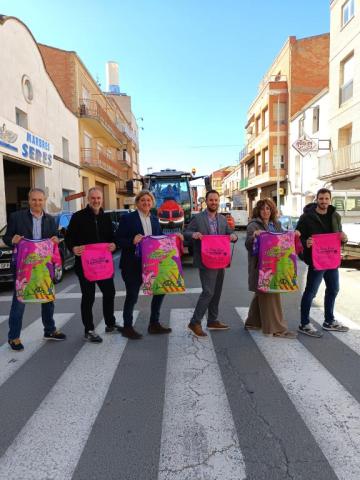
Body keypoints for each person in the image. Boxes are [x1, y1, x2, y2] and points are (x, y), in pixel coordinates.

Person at [3, 188, 66, 351]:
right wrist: (13, 240)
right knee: (19, 302)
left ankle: (50, 330)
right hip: (24, 267)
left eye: (40, 200)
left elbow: (54, 238)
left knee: (48, 300)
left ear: (44, 201)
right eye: (34, 200)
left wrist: (55, 239)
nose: (37, 203)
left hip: (44, 267)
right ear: (28, 200)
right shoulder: (16, 217)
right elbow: (7, 237)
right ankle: (14, 337)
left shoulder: (51, 220)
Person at [115, 189, 172, 340]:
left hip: (152, 264)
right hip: (132, 265)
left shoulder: (154, 219)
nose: (146, 203)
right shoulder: (127, 219)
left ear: (152, 203)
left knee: (160, 291)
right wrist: (132, 241)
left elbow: (159, 238)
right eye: (143, 200)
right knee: (132, 296)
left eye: (149, 200)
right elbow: (119, 240)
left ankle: (154, 323)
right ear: (137, 202)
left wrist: (173, 237)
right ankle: (127, 327)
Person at [65, 187, 119, 343]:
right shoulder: (78, 217)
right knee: (88, 297)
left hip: (103, 265)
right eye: (93, 198)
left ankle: (110, 323)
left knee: (110, 293)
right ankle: (88, 329)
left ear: (102, 200)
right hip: (84, 266)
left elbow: (112, 237)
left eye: (98, 198)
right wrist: (73, 248)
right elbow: (69, 238)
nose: (96, 201)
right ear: (88, 199)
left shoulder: (105, 218)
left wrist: (114, 245)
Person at [184, 189, 238, 338]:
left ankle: (213, 320)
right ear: (206, 202)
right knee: (208, 291)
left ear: (218, 202)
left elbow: (229, 232)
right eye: (211, 200)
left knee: (217, 292)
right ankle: (195, 322)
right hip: (205, 259)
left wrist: (233, 236)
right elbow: (186, 233)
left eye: (216, 200)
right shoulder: (198, 218)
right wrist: (193, 234)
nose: (213, 202)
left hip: (220, 259)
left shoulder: (222, 219)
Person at [296, 188, 349, 337]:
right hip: (316, 260)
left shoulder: (335, 216)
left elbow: (339, 237)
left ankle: (329, 321)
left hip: (331, 260)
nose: (324, 201)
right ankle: (304, 323)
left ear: (330, 200)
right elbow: (298, 236)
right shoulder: (306, 217)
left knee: (333, 289)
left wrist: (343, 239)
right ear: (316, 200)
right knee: (310, 292)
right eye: (321, 199)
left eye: (326, 199)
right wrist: (306, 242)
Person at [244, 198, 297, 338]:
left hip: (276, 265)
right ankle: (277, 329)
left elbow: (285, 237)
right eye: (262, 209)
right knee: (271, 295)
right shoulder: (253, 226)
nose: (265, 211)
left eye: (268, 208)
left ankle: (253, 322)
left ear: (272, 210)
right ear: (258, 211)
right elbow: (248, 245)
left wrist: (294, 235)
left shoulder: (277, 224)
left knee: (262, 294)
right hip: (261, 268)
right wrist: (253, 237)